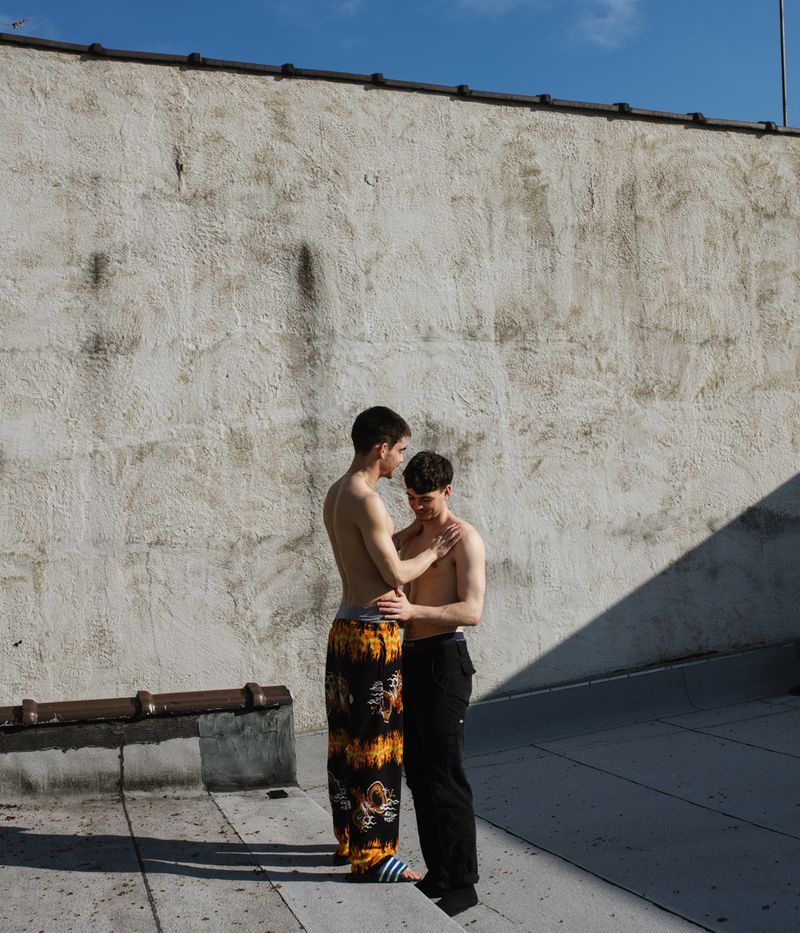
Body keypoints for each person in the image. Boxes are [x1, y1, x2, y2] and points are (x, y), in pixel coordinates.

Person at [322, 408, 463, 882]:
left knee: (345, 740)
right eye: (400, 449)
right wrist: (435, 550)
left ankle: (350, 839)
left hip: (344, 628)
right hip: (372, 635)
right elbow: (396, 573)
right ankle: (377, 854)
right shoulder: (368, 499)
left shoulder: (337, 493)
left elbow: (367, 550)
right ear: (382, 447)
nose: (401, 460)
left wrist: (403, 538)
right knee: (377, 745)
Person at [377, 450, 485, 916]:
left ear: (448, 491)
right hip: (411, 660)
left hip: (445, 661)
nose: (418, 506)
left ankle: (463, 883)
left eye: (426, 499)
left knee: (446, 775)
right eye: (412, 498)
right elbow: (379, 549)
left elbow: (471, 611)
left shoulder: (464, 539)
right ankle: (438, 872)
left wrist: (413, 613)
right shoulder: (415, 532)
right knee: (419, 775)